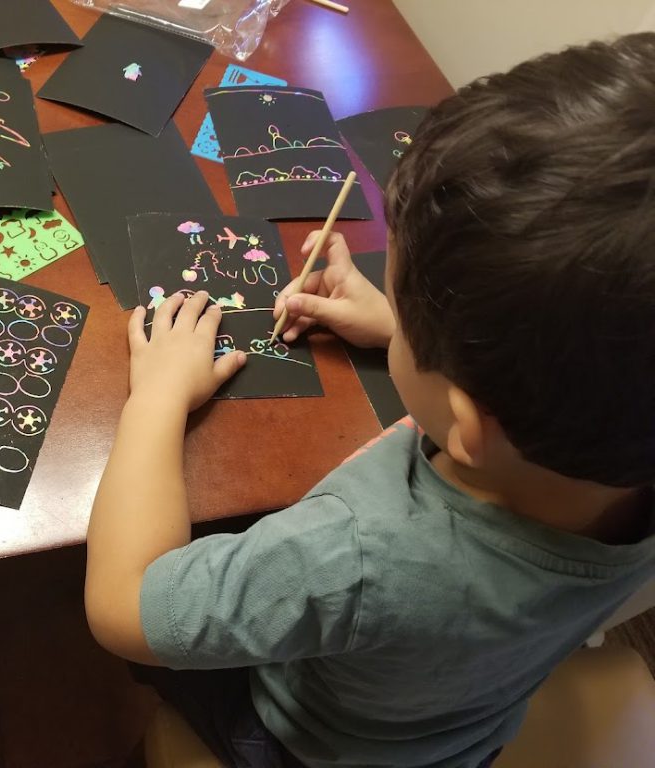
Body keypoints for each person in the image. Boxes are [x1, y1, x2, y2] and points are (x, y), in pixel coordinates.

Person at [84, 32, 655, 768]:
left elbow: (124, 608)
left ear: (470, 420)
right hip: (457, 730)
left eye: (404, 311)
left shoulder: (354, 556)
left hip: (304, 743)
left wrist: (156, 398)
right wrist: (417, 337)